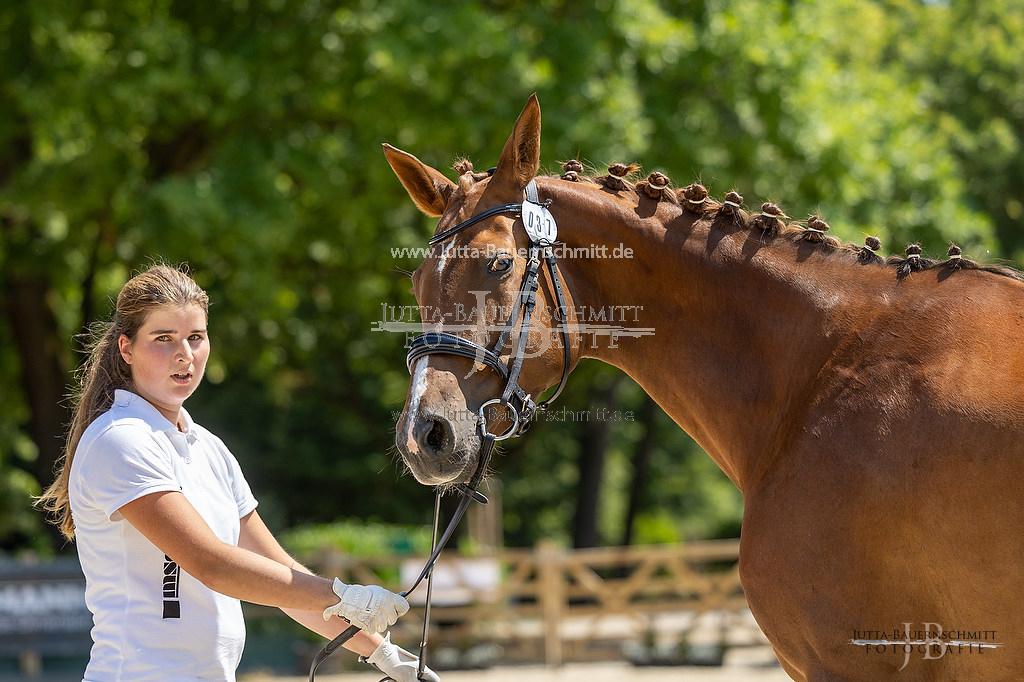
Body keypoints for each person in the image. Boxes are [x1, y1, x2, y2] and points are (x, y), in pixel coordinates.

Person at [36, 263, 438, 682]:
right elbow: (211, 564)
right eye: (163, 339)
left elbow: (284, 581)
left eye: (195, 337)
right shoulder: (119, 439)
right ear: (126, 348)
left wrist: (386, 655)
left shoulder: (208, 448)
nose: (184, 355)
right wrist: (344, 595)